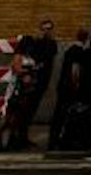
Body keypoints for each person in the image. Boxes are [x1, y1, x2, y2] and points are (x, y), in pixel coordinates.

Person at [0, 25, 52, 152]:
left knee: (18, 116)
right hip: (17, 88)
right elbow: (15, 67)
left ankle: (11, 141)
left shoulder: (31, 57)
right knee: (9, 115)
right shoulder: (22, 55)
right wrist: (26, 73)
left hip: (26, 89)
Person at [5, 19, 57, 151]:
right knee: (18, 112)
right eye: (44, 28)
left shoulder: (51, 45)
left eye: (49, 29)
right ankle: (13, 139)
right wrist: (23, 75)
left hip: (39, 83)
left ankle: (22, 138)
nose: (47, 31)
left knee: (30, 112)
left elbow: (50, 64)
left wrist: (47, 83)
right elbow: (16, 62)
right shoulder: (30, 42)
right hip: (24, 83)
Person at [49, 27, 91, 150]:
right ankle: (61, 140)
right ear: (86, 38)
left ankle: (55, 139)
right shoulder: (78, 51)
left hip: (64, 87)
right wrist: (76, 87)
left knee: (60, 114)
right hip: (69, 89)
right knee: (66, 113)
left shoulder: (70, 50)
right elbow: (74, 71)